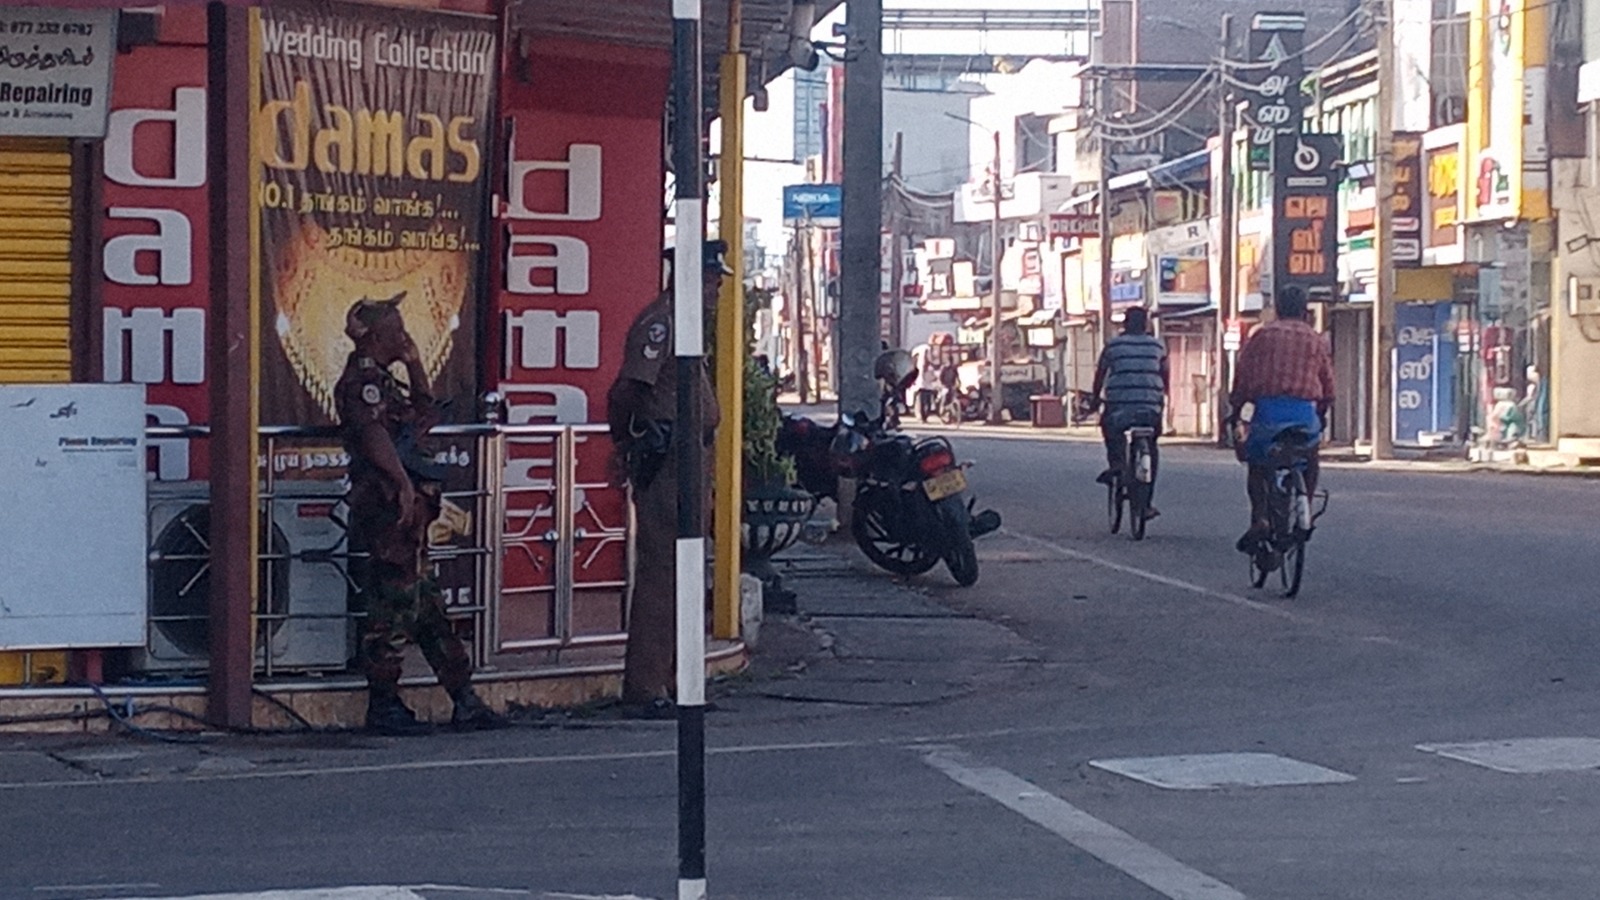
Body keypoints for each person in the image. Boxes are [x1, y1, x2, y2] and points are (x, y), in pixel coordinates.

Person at [335, 296, 503, 735]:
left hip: (408, 514)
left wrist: (414, 365)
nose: (403, 334)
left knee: (427, 608)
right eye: (396, 328)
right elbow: (372, 435)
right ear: (375, 335)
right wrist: (402, 482)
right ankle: (384, 705)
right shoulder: (362, 381)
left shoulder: (385, 381)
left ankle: (464, 698)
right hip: (389, 509)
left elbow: (424, 414)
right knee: (392, 608)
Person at [606, 240, 728, 711]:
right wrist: (627, 444)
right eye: (711, 281)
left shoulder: (688, 324)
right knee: (663, 573)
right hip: (667, 460)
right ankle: (645, 686)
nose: (716, 291)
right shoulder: (662, 322)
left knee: (690, 571)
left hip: (692, 459)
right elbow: (627, 391)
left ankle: (679, 680)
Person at [1228, 285, 1336, 553]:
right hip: (1304, 415)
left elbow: (1242, 378)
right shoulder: (1315, 340)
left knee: (1257, 465)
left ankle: (1260, 518)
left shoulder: (1261, 336)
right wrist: (1321, 415)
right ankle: (1305, 503)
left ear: (1277, 309)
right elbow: (1328, 387)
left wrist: (1236, 408)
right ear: (1304, 311)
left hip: (1268, 414)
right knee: (1310, 457)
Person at [1091, 306, 1169, 519]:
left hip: (1120, 407)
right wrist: (1161, 398)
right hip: (1151, 409)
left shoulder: (1114, 346)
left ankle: (1117, 465)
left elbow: (1100, 374)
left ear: (1125, 324)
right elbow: (1165, 375)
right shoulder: (1157, 346)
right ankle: (1146, 504)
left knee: (1110, 429)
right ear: (1146, 324)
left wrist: (1095, 399)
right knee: (1151, 446)